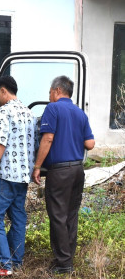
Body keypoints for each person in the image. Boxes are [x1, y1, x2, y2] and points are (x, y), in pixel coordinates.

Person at [32, 75, 95, 275]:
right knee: (70, 215)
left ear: (58, 90)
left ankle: (63, 264)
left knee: (57, 216)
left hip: (59, 171)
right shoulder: (80, 113)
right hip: (78, 170)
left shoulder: (52, 109)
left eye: (50, 92)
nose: (49, 95)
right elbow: (90, 144)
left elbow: (47, 138)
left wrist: (37, 166)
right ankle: (67, 258)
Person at [0, 76, 36, 277]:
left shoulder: (5, 112)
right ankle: (15, 260)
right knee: (18, 217)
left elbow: (0, 143)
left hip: (5, 176)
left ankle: (3, 265)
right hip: (22, 177)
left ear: (3, 91)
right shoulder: (29, 113)